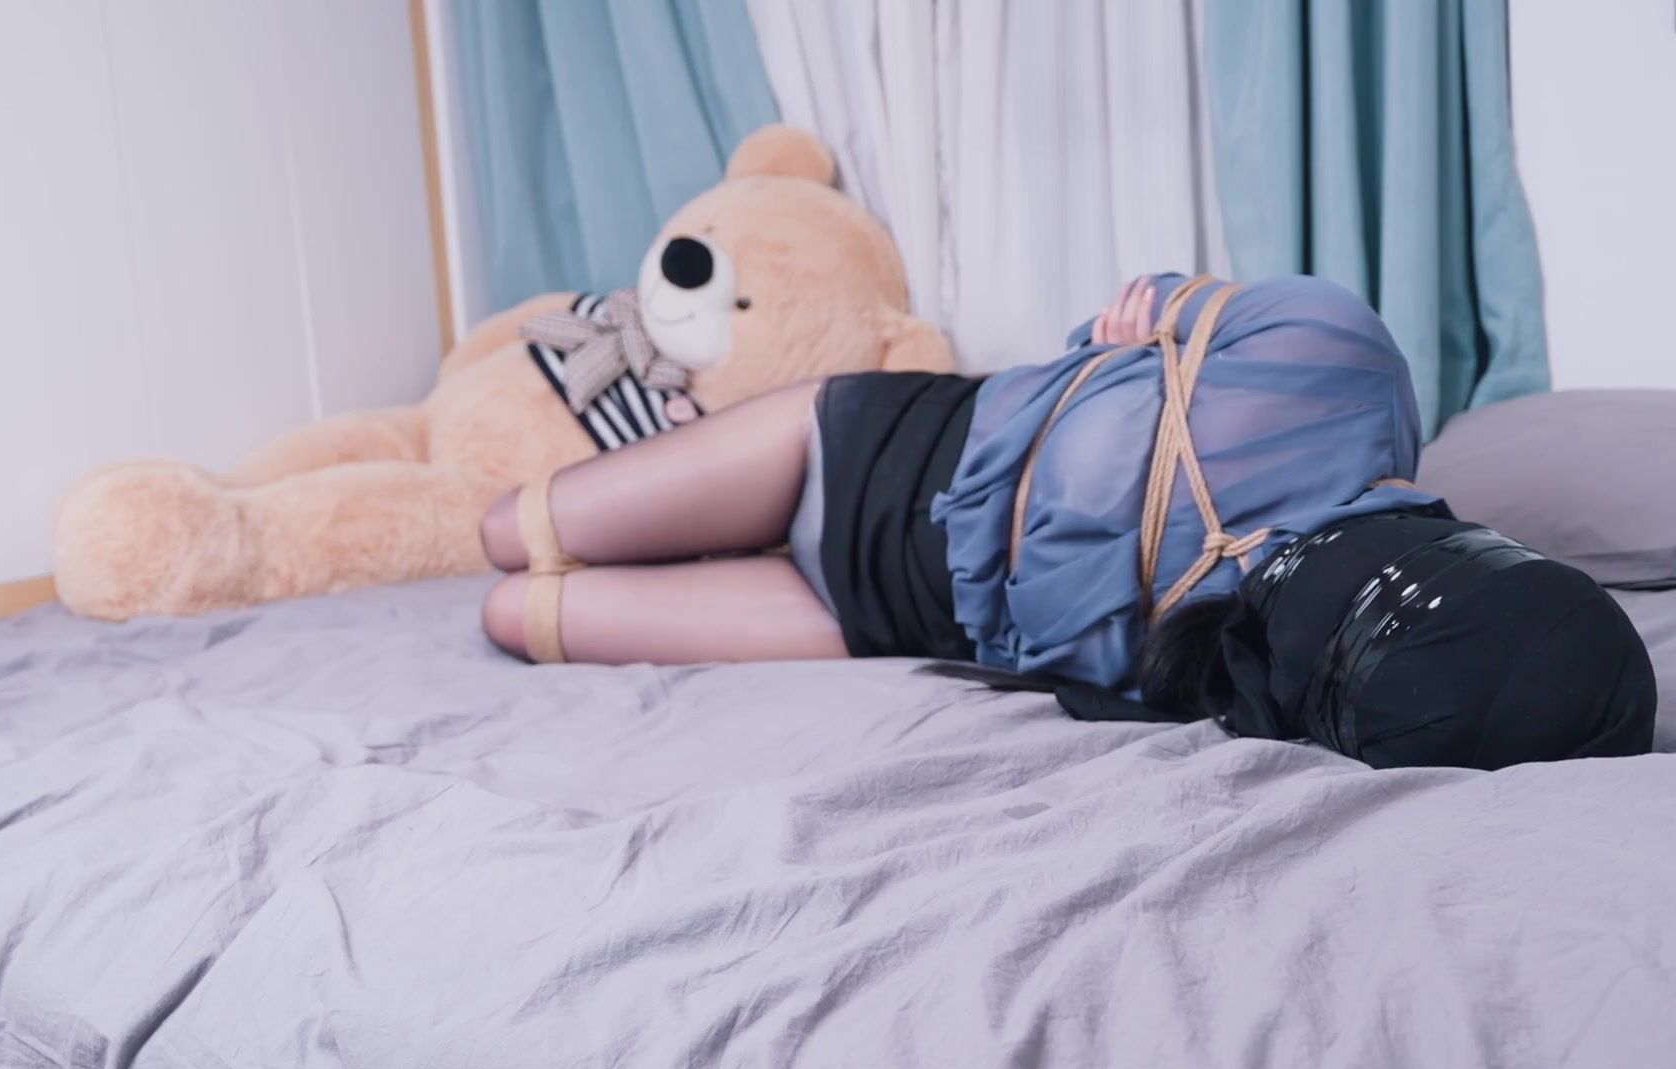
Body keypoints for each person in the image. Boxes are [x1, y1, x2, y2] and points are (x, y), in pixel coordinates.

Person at [478, 273, 1655, 769]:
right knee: (502, 537)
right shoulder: (1338, 366)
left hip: (881, 615)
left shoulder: (1257, 682)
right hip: (866, 447)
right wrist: (1135, 333)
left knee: (515, 613)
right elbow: (1132, 311)